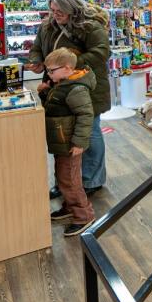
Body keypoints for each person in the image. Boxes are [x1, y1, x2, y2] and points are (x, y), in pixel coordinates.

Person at [28, 0, 111, 197]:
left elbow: (101, 53)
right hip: (56, 87)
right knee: (62, 135)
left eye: (60, 11)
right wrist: (38, 61)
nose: (55, 14)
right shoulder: (48, 25)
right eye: (52, 10)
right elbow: (37, 47)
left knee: (89, 131)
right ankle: (66, 182)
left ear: (72, 8)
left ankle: (91, 180)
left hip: (86, 88)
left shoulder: (90, 26)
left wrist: (69, 66)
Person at [40, 48, 96, 236]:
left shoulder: (75, 89)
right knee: (63, 177)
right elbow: (56, 106)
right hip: (62, 140)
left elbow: (86, 116)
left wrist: (79, 143)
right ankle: (70, 207)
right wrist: (45, 93)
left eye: (51, 70)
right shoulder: (63, 84)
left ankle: (84, 215)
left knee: (70, 180)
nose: (49, 74)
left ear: (67, 68)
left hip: (70, 143)